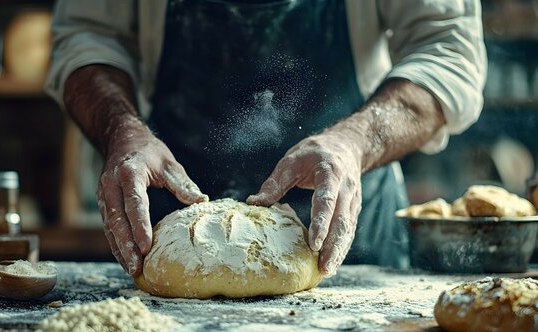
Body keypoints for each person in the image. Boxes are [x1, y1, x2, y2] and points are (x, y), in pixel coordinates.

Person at [45, 0, 486, 277]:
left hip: (352, 231)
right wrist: (122, 130)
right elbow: (87, 36)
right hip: (172, 223)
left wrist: (353, 142)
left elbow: (448, 48)